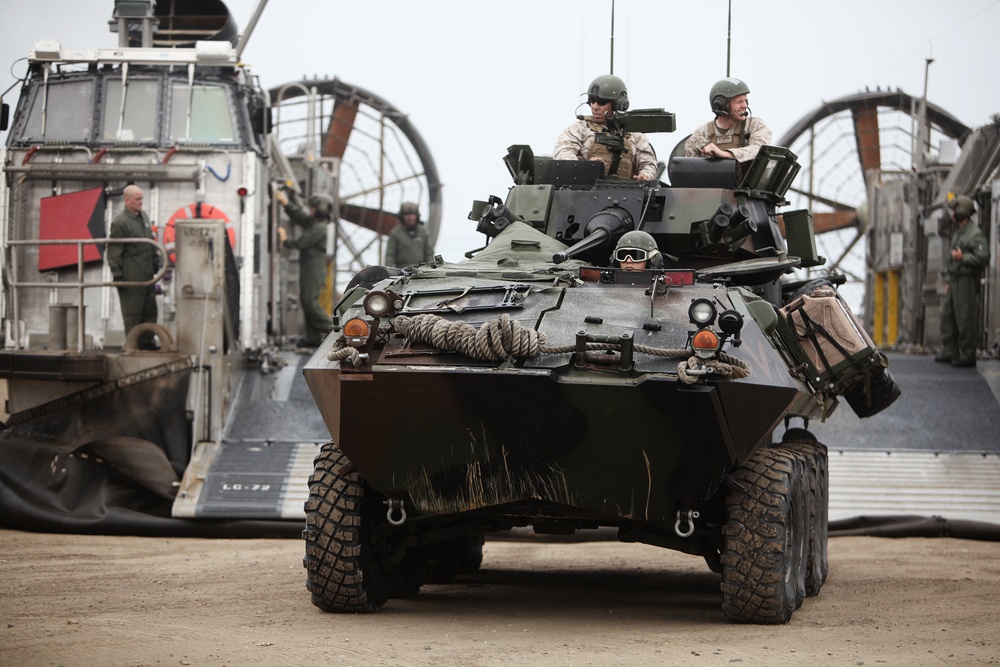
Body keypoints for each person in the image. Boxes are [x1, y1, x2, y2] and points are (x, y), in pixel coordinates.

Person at [553, 74, 658, 181]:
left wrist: (645, 175)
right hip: (586, 193)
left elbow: (649, 164)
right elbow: (562, 155)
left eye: (601, 102)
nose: (594, 107)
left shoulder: (635, 135)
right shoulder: (578, 129)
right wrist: (586, 166)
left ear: (617, 104)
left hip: (627, 193)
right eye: (591, 101)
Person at [935, 195, 991, 368]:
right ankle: (951, 350)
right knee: (948, 315)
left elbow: (983, 256)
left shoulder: (974, 233)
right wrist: (948, 281)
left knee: (965, 317)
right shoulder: (960, 230)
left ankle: (968, 354)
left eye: (954, 210)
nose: (952, 214)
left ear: (963, 212)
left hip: (966, 280)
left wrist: (963, 257)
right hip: (955, 280)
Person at [276, 190, 334, 349]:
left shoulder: (319, 228)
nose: (311, 210)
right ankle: (313, 337)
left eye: (313, 208)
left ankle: (336, 331)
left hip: (314, 269)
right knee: (307, 301)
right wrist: (286, 204)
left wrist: (285, 241)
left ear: (319, 209)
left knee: (309, 303)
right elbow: (300, 217)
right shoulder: (314, 223)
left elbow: (302, 242)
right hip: (310, 267)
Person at [106, 184, 160, 349]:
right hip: (131, 274)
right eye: (138, 199)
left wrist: (155, 261)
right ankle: (132, 344)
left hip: (147, 273)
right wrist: (117, 274)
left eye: (142, 198)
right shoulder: (120, 223)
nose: (141, 202)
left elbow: (149, 241)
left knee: (150, 310)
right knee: (133, 312)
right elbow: (114, 250)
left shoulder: (143, 216)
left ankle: (147, 341)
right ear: (127, 199)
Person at [684, 77, 771, 163]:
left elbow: (760, 150)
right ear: (721, 105)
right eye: (739, 102)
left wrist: (725, 154)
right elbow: (690, 167)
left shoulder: (755, 125)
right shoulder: (702, 134)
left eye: (746, 101)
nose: (744, 106)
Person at [385, 201, 434, 268]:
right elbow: (390, 255)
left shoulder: (422, 232)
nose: (410, 217)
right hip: (402, 272)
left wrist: (431, 269)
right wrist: (390, 271)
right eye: (407, 215)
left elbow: (429, 253)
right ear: (402, 216)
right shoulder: (395, 233)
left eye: (412, 214)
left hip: (421, 272)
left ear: (416, 216)